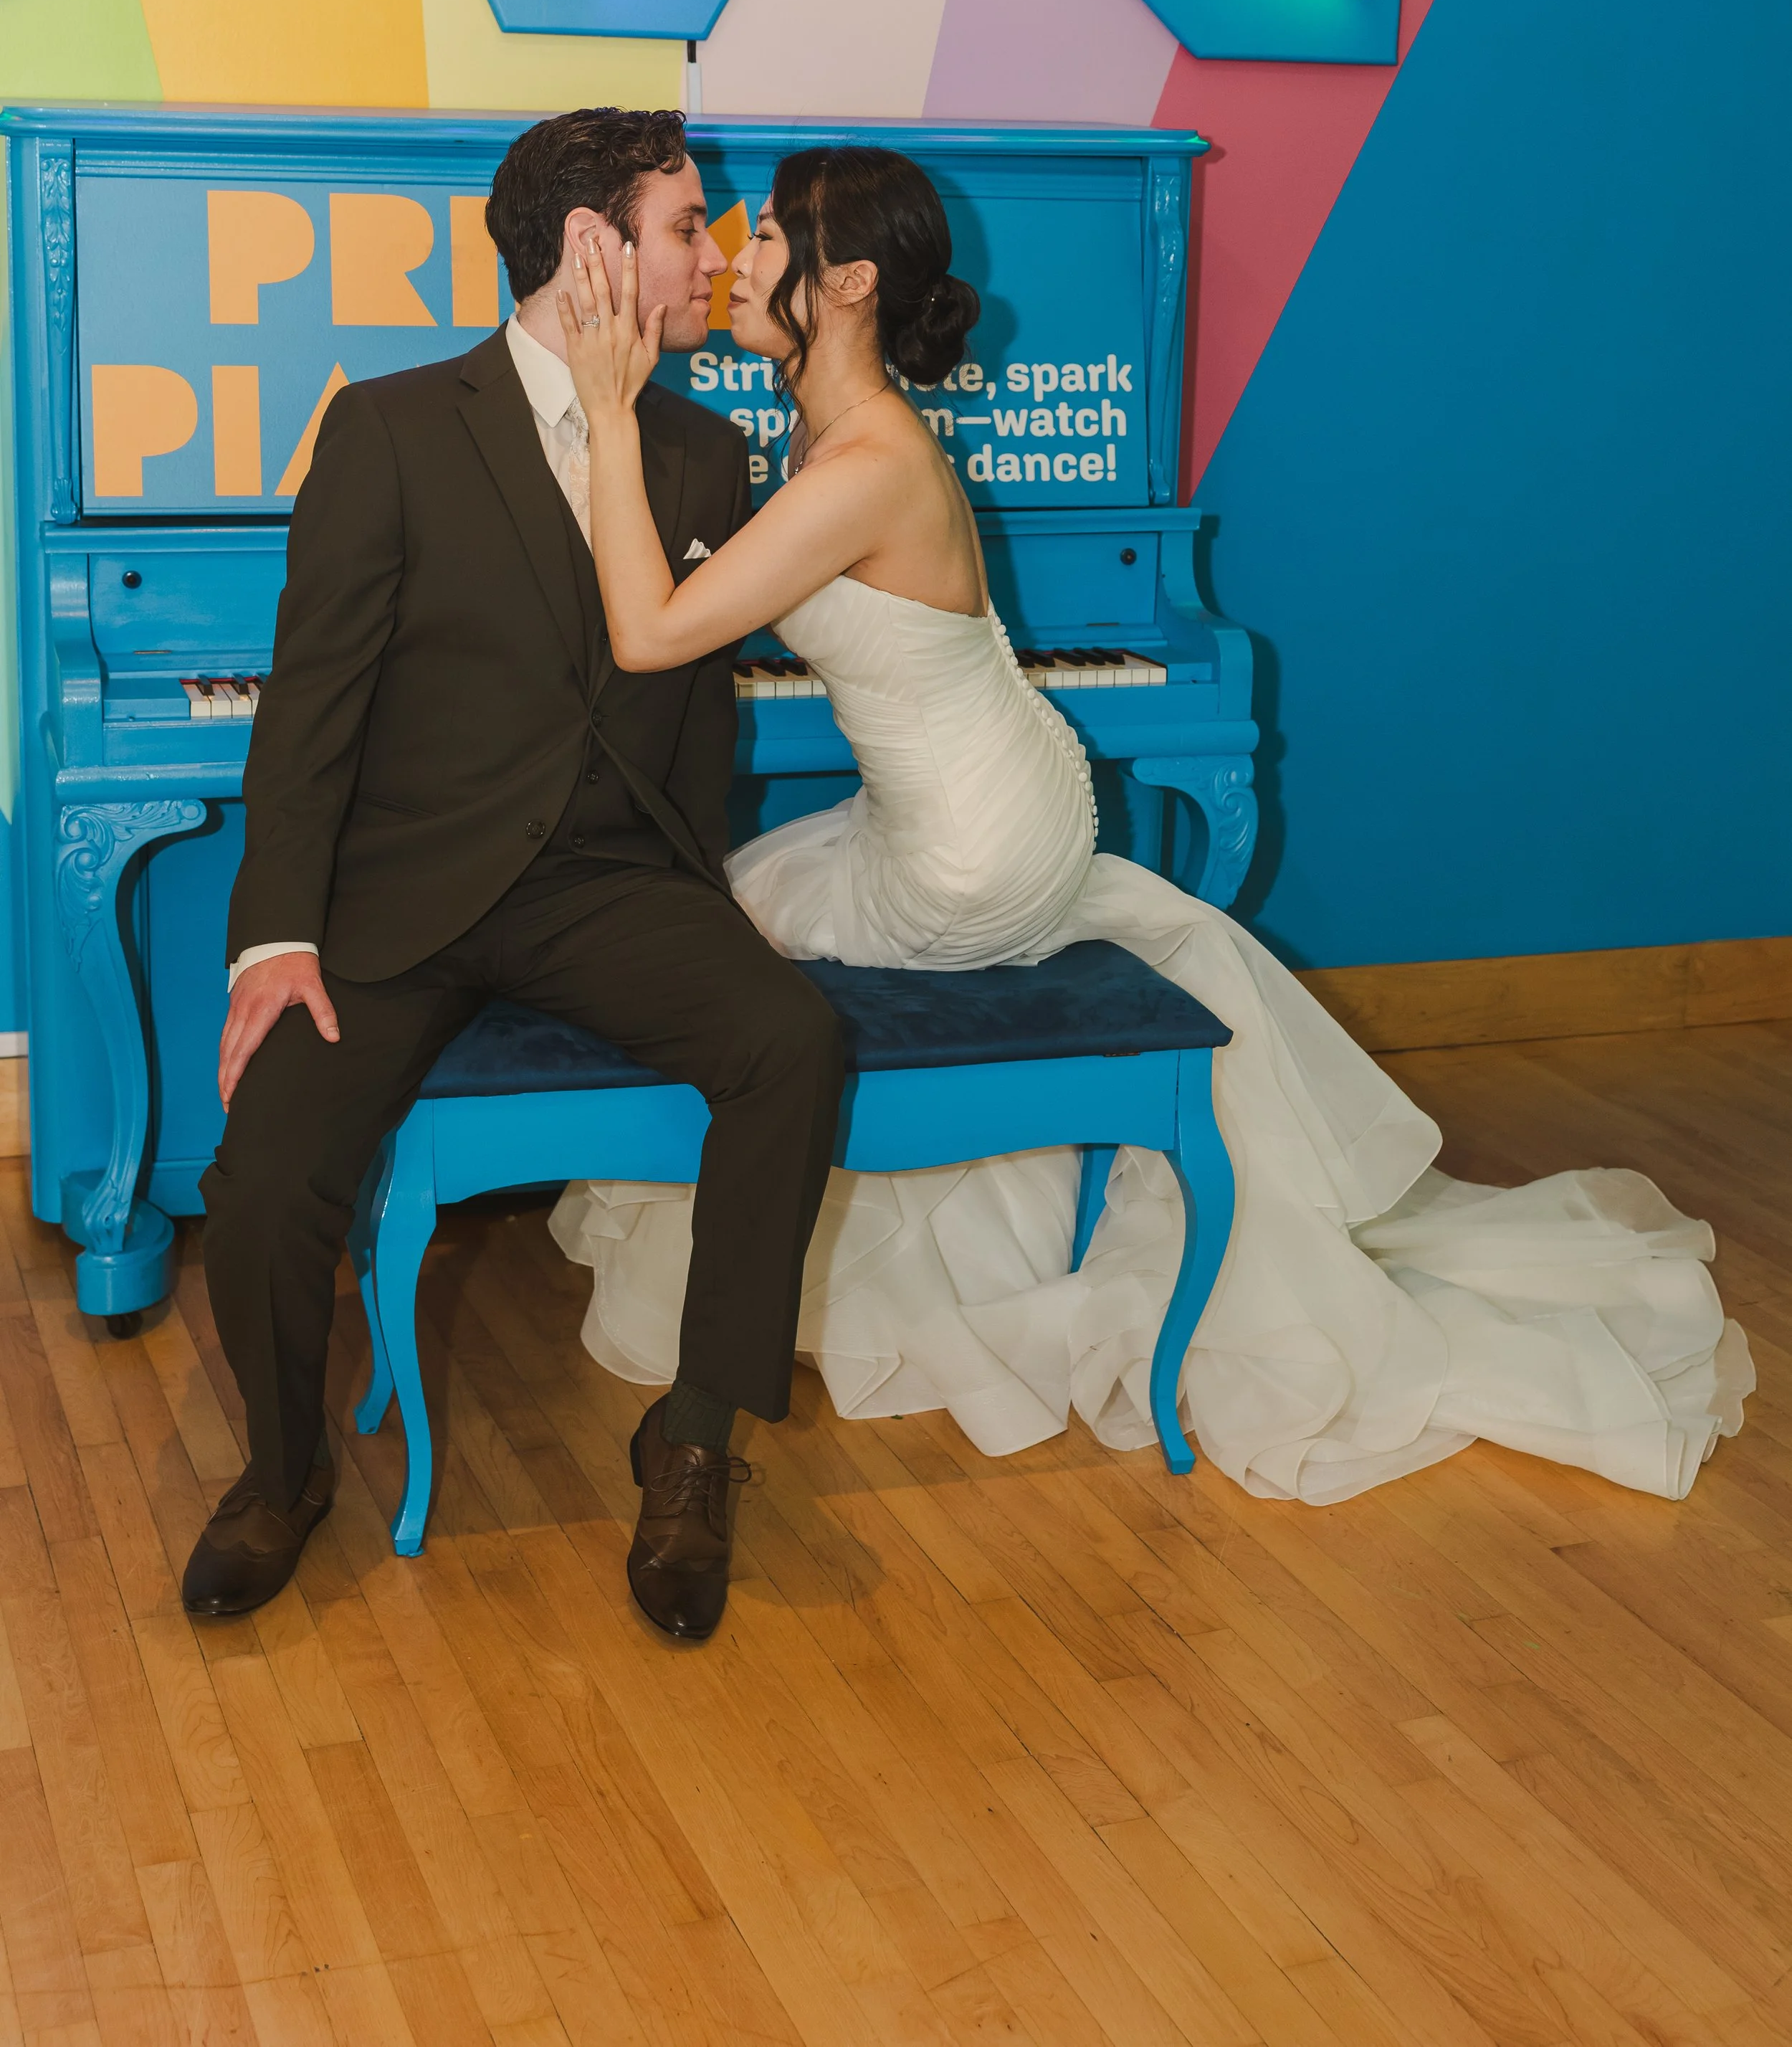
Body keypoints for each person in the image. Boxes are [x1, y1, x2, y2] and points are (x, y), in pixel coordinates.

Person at [551, 143, 1753, 1507]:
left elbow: (653, 632)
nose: (733, 255)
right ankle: (921, 1215)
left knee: (721, 924)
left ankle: (799, 1236)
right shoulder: (847, 434)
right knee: (762, 888)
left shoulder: (865, 463)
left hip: (968, 850)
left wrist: (600, 405)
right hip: (1002, 806)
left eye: (763, 236)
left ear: (847, 284)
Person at [187, 110, 844, 1638]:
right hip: (397, 903)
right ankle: (280, 1477)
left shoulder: (699, 446)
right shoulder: (394, 428)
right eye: (691, 225)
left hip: (606, 888)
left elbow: (686, 700)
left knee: (787, 1040)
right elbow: (310, 707)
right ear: (592, 247)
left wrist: (700, 891)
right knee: (266, 1179)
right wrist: (274, 937)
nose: (718, 254)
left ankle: (691, 1439)